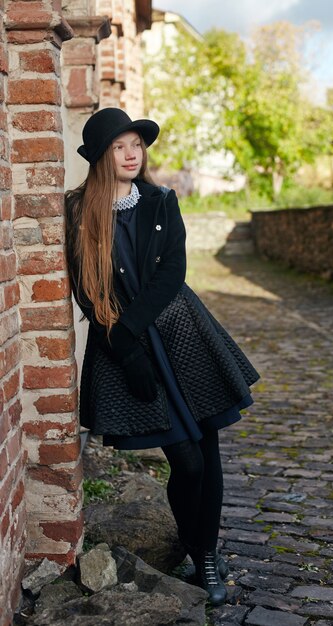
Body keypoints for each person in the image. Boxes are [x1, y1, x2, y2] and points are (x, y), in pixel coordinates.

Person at [64, 107, 259, 606]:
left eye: (137, 145)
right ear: (101, 157)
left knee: (207, 451)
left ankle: (205, 556)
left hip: (181, 333)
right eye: (119, 147)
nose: (132, 154)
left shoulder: (160, 201)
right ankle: (197, 547)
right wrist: (125, 351)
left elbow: (173, 272)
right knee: (185, 460)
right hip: (123, 346)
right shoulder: (79, 209)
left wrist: (131, 330)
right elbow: (86, 290)